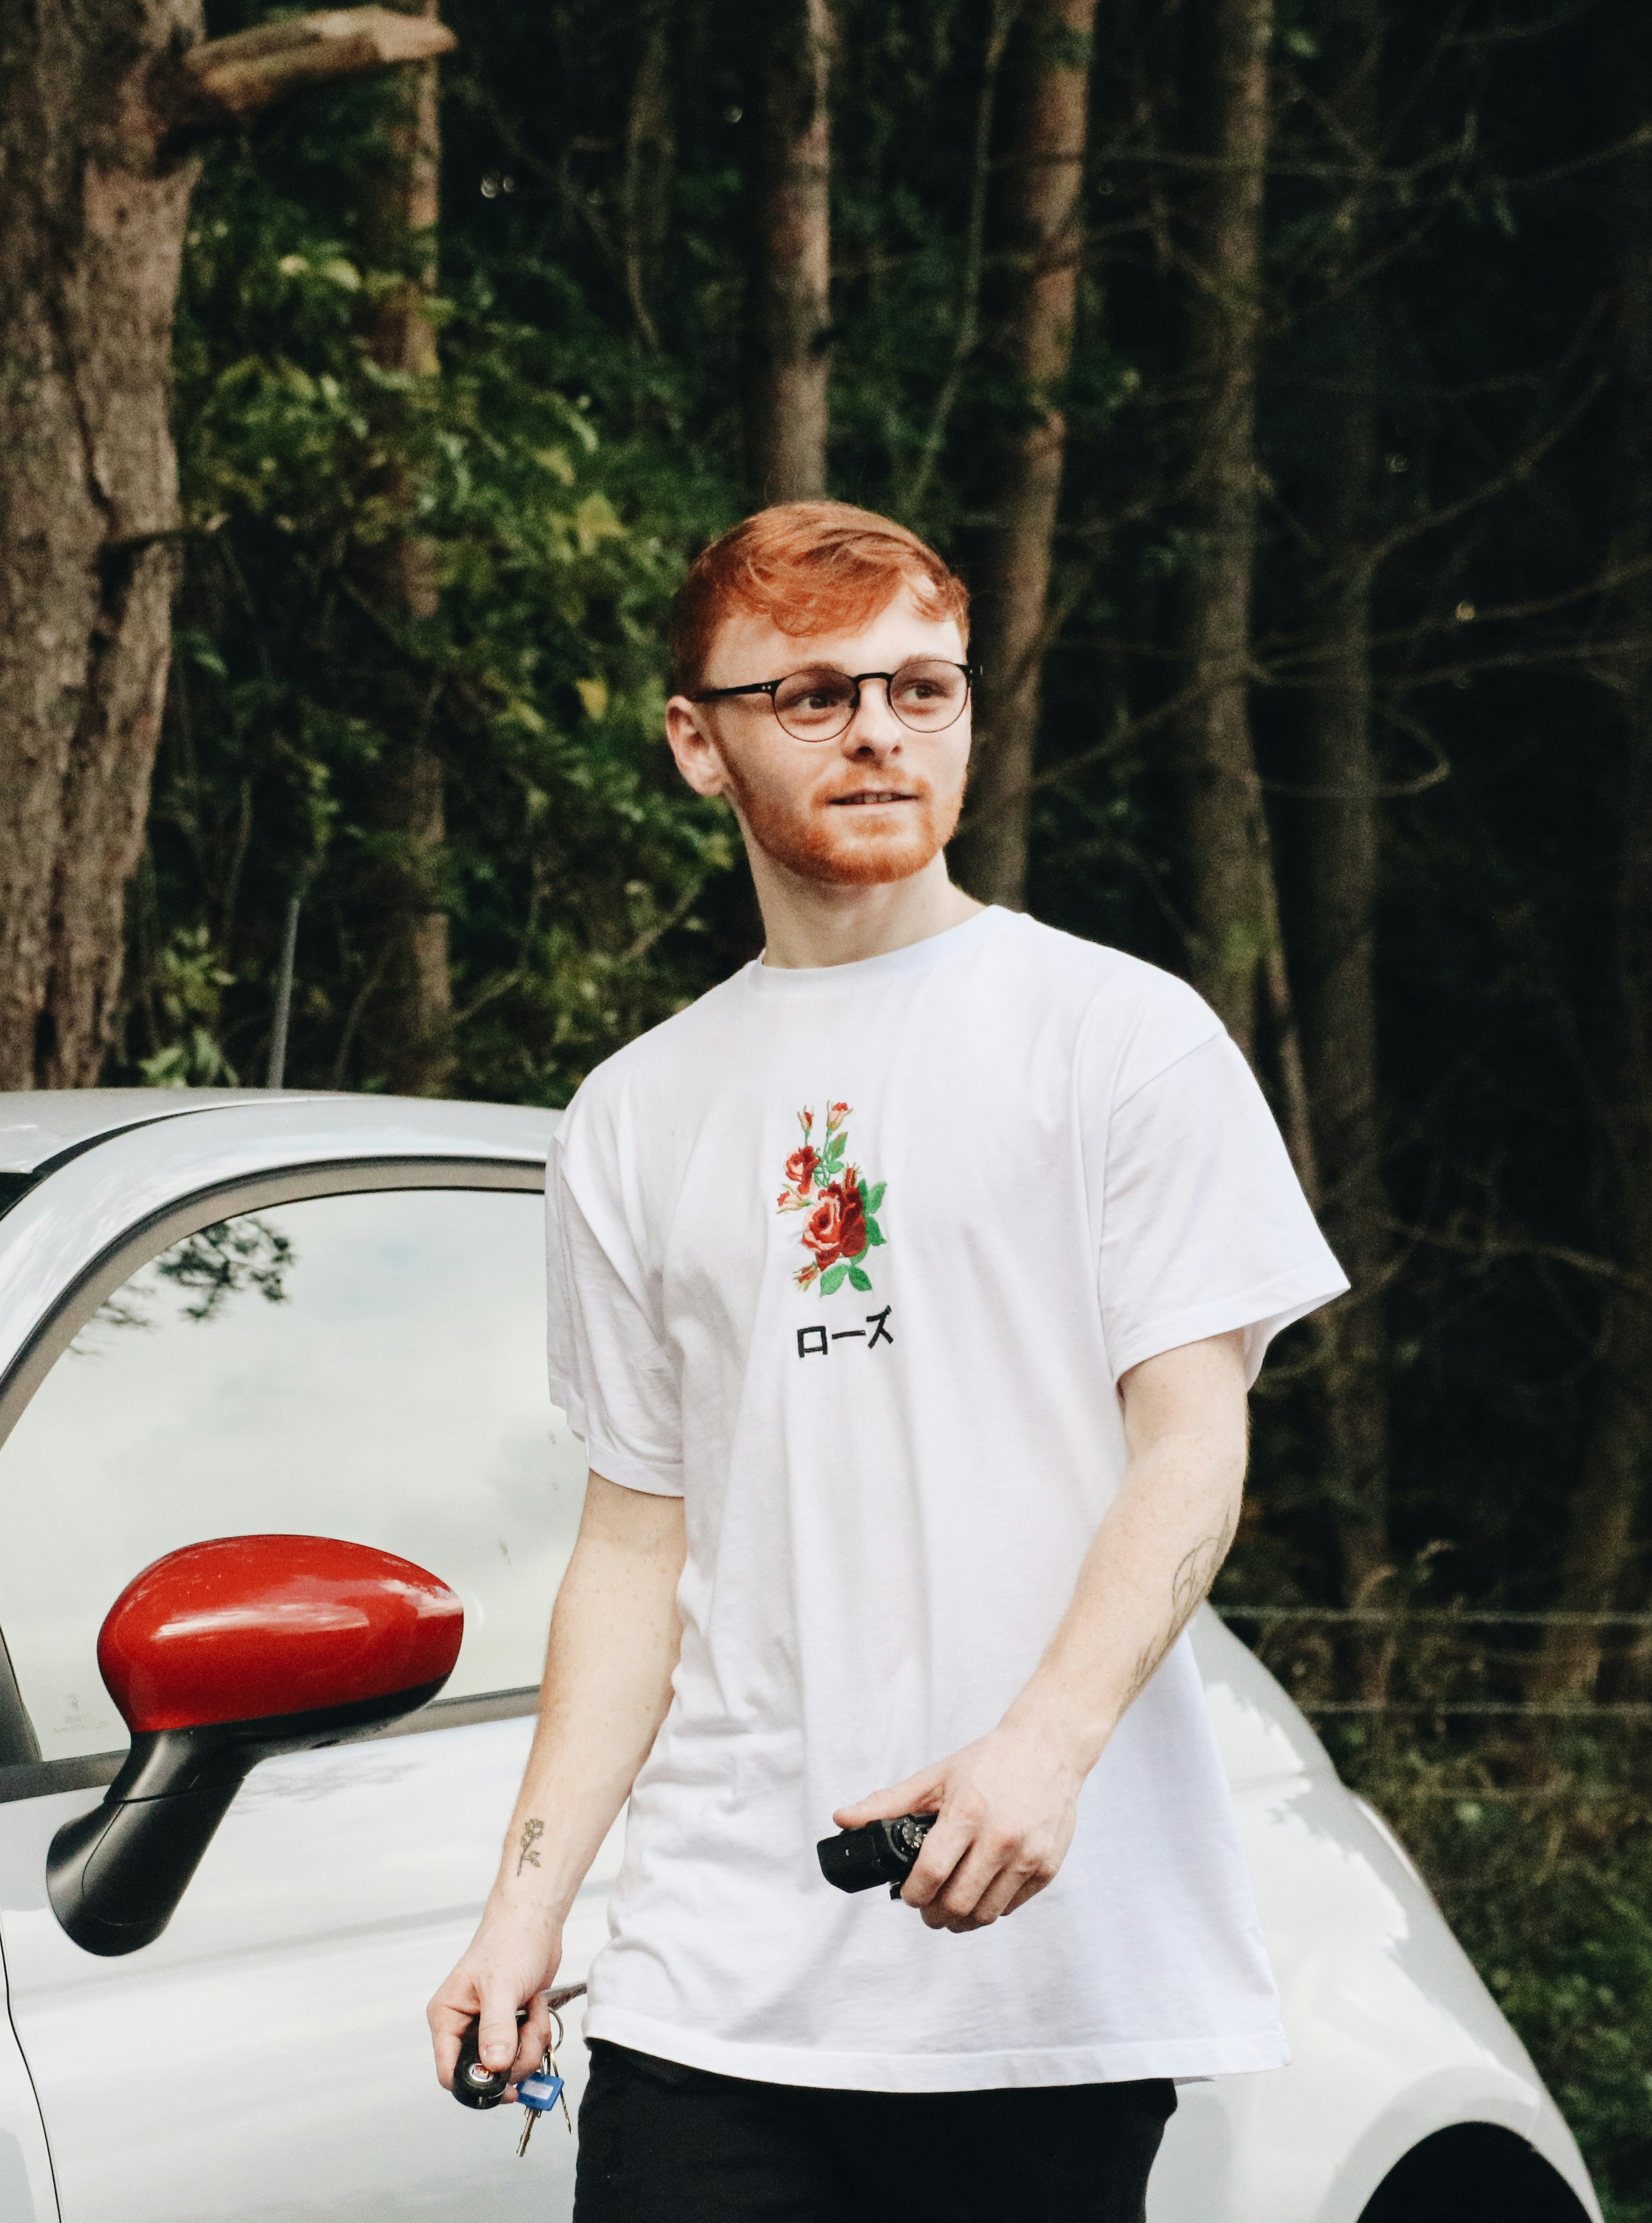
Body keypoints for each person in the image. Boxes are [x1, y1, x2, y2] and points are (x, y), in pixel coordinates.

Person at [425, 501, 1345, 2223]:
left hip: (1034, 1996)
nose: (879, 732)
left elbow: (1194, 1450)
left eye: (925, 689)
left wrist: (1042, 1750)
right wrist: (528, 1903)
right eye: (817, 694)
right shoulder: (631, 1117)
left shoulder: (1120, 1037)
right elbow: (636, 1547)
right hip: (711, 1983)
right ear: (700, 744)